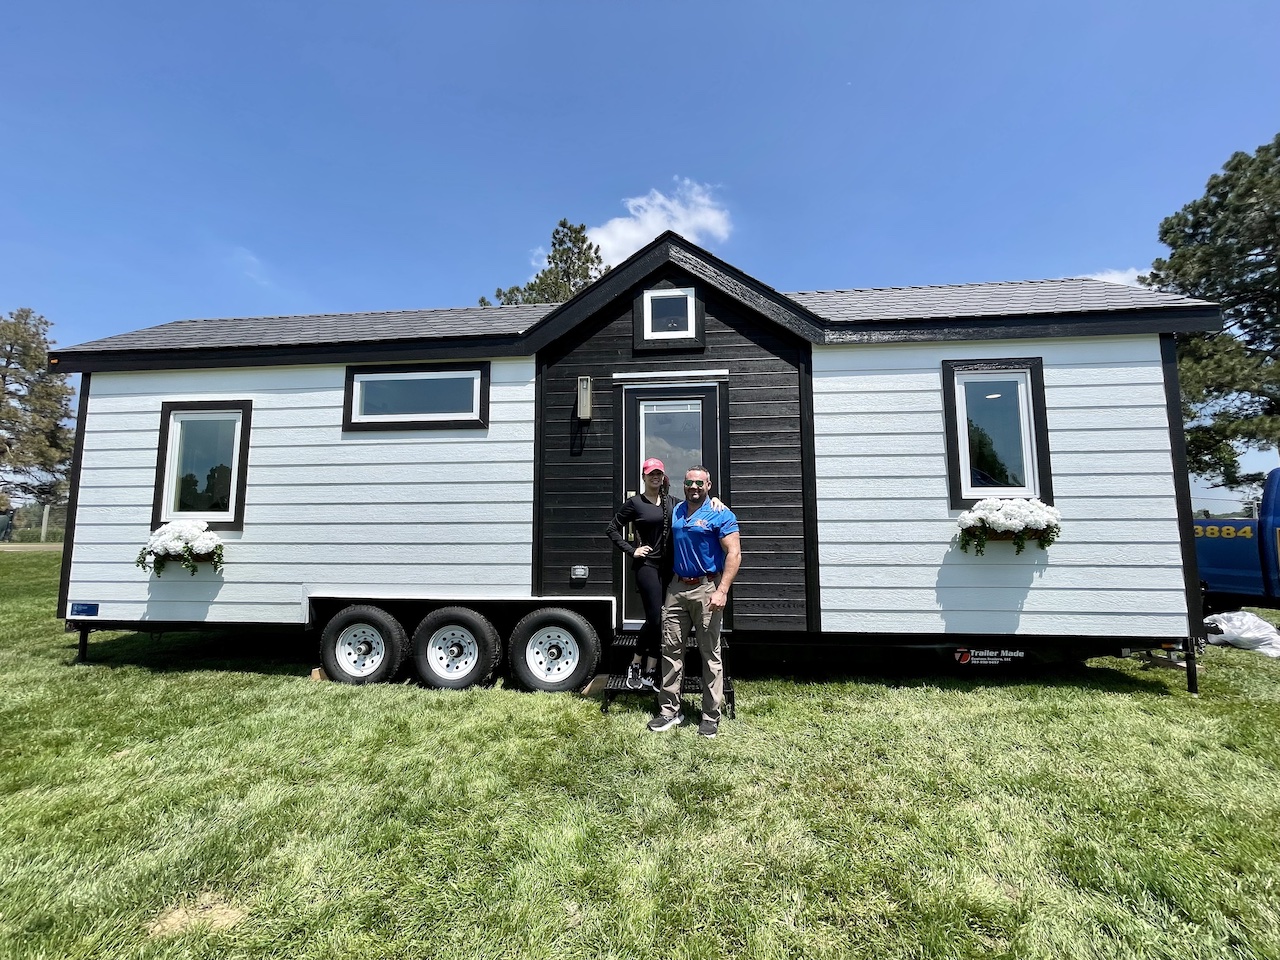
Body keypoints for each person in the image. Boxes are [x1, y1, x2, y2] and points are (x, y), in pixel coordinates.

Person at [648, 466, 741, 739]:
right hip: (676, 588)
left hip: (707, 588)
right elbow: (649, 502)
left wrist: (722, 590)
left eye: (700, 483)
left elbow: (734, 553)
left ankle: (710, 716)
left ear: (709, 485)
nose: (694, 487)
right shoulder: (676, 510)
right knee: (670, 649)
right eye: (689, 482)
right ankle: (669, 711)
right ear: (683, 485)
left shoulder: (720, 512)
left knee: (709, 654)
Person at [605, 458, 673, 690]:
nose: (655, 477)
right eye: (651, 473)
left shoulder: (671, 503)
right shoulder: (635, 503)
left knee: (661, 621)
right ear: (644, 477)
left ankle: (651, 669)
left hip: (668, 568)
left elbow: (696, 507)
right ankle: (635, 663)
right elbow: (612, 529)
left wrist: (714, 500)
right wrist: (632, 550)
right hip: (647, 567)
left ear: (663, 477)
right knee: (654, 617)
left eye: (659, 474)